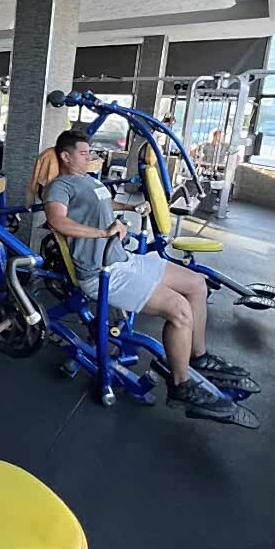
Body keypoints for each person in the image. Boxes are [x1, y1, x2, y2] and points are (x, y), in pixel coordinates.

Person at [43, 129, 248, 421]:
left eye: (90, 152)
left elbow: (103, 204)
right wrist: (102, 233)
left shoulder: (90, 180)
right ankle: (181, 384)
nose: (91, 157)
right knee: (180, 309)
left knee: (196, 284)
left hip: (124, 258)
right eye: (84, 153)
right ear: (66, 156)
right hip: (101, 272)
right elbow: (57, 220)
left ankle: (198, 356)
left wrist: (128, 206)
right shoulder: (60, 186)